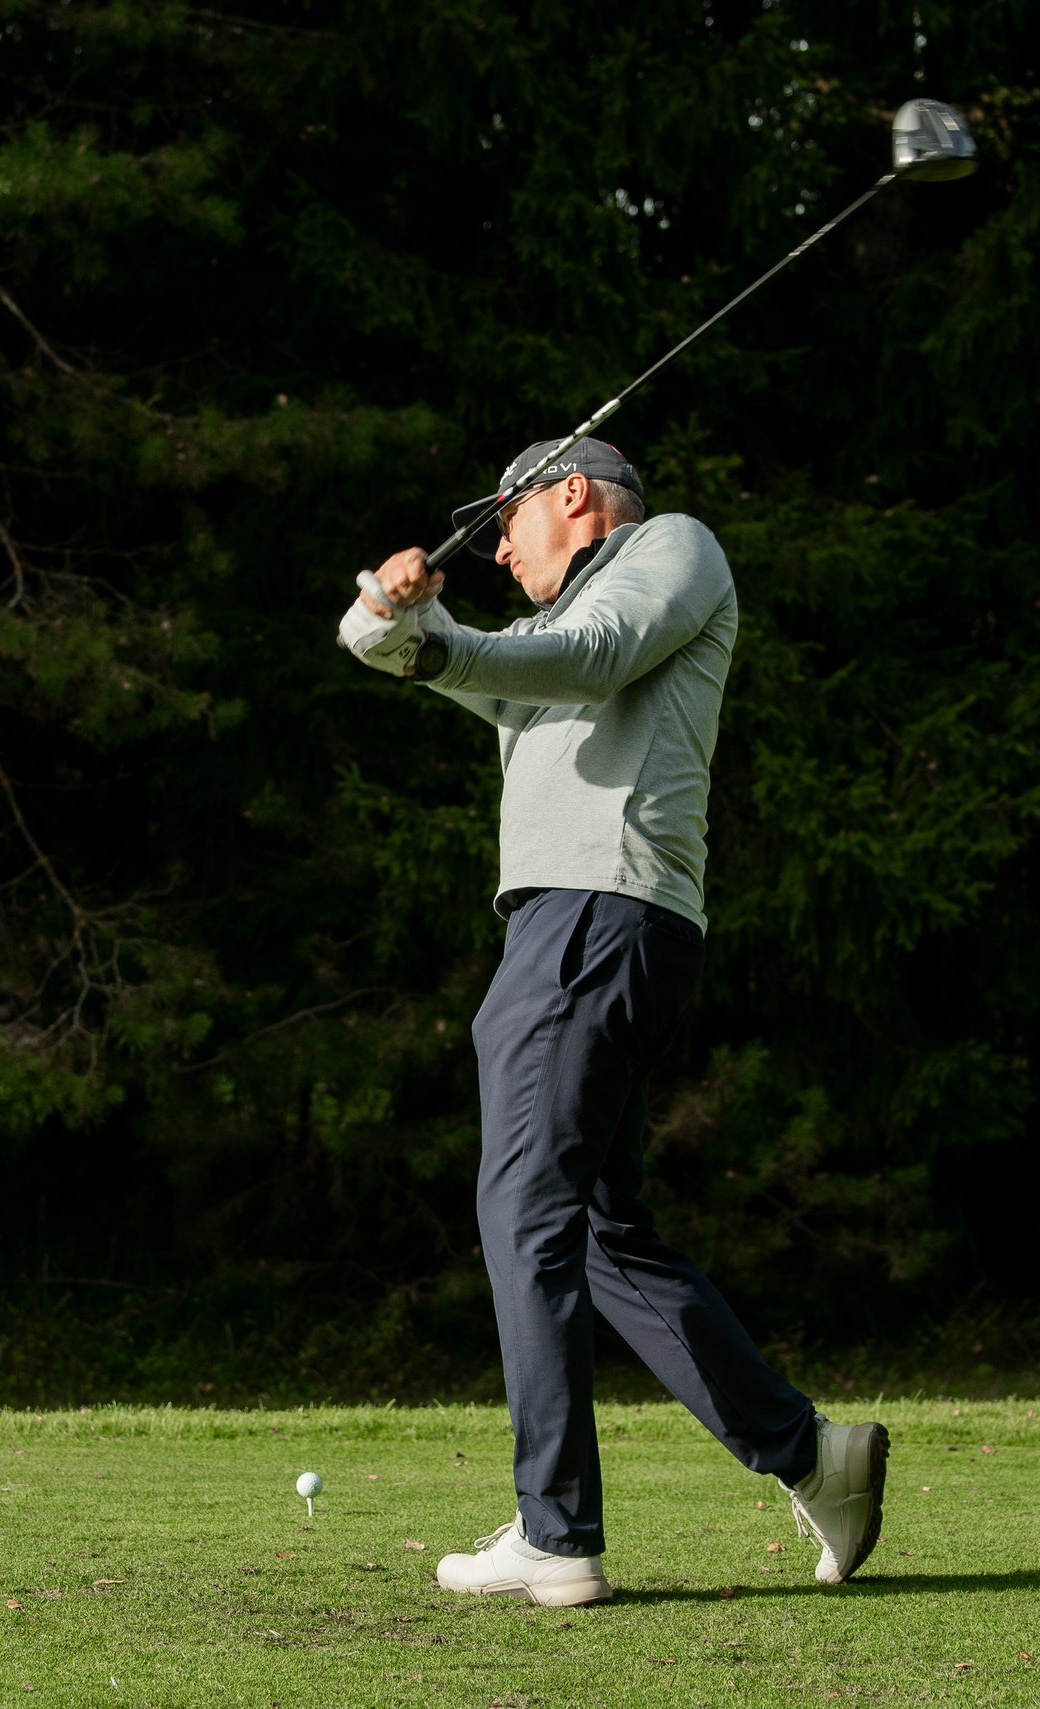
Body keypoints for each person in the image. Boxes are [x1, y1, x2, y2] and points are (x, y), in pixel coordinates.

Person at [336, 437, 888, 1606]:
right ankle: (811, 1454)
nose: (492, 544)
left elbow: (584, 660)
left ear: (571, 495)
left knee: (522, 1202)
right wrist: (393, 623)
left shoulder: (668, 550)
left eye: (506, 519)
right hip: (582, 924)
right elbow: (467, 669)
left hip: (596, 914)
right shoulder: (546, 634)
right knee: (594, 1225)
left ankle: (557, 1530)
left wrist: (438, 638)